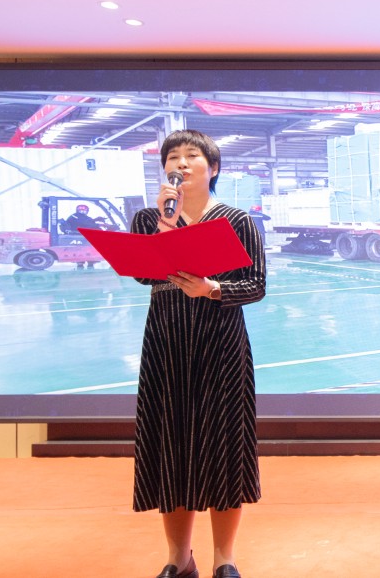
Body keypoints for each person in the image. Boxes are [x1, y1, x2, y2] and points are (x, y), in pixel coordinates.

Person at [130, 129, 266, 578]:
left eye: (192, 155)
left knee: (224, 447)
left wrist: (212, 288)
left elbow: (256, 285)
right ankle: (178, 558)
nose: (181, 163)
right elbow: (145, 276)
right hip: (166, 342)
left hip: (221, 343)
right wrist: (165, 225)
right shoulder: (149, 218)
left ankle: (224, 558)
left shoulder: (237, 220)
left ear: (214, 168)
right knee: (171, 445)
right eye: (173, 157)